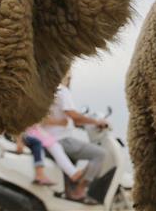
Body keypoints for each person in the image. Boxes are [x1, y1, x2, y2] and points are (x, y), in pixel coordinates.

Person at [47, 72, 109, 203]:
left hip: (50, 137)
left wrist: (80, 123)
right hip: (60, 139)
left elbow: (71, 120)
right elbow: (73, 115)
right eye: (69, 76)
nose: (70, 79)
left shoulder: (49, 90)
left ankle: (71, 186)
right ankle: (79, 190)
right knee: (100, 154)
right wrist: (96, 122)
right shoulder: (62, 90)